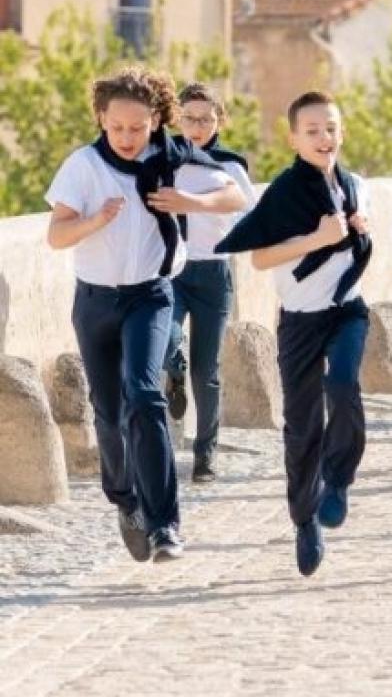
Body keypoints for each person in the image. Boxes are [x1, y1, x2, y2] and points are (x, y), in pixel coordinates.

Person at [46, 65, 240, 563]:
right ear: (101, 119)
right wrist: (95, 220)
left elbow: (236, 194)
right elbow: (56, 235)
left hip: (150, 295)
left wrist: (189, 200)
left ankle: (165, 526)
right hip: (95, 302)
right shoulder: (84, 166)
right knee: (109, 414)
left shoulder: (173, 157)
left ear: (155, 119)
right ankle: (125, 499)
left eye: (137, 127)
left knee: (145, 395)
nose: (128, 138)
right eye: (117, 128)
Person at [215, 91, 374, 577]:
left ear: (341, 132)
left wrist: (358, 230)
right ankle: (305, 521)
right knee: (302, 424)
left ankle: (339, 477)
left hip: (347, 310)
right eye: (312, 131)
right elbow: (259, 258)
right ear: (294, 138)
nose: (324, 138)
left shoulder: (355, 185)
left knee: (344, 385)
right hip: (301, 321)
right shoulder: (282, 193)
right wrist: (318, 239)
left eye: (330, 128)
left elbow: (356, 243)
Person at [164, 83, 257, 483]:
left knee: (209, 369)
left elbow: (246, 208)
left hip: (214, 273)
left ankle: (206, 453)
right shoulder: (163, 158)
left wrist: (196, 203)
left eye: (205, 118)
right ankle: (175, 369)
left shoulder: (229, 166)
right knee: (166, 341)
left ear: (219, 120)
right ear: (177, 119)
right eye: (189, 118)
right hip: (170, 270)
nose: (196, 126)